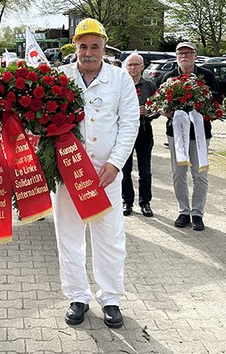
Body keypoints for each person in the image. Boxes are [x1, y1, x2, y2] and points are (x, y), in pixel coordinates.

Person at [54, 18, 139, 329]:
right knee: (69, 236)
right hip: (67, 174)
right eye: (82, 46)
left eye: (94, 47)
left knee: (110, 236)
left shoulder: (120, 79)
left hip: (106, 175)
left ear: (104, 49)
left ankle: (111, 298)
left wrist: (115, 163)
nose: (88, 53)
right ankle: (77, 295)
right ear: (74, 47)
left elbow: (130, 124)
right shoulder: (60, 78)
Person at [165, 41, 222, 231]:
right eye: (181, 53)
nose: (184, 56)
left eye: (188, 53)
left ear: (195, 55)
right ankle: (183, 211)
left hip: (200, 133)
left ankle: (197, 213)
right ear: (176, 56)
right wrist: (169, 112)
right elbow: (160, 103)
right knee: (178, 173)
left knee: (200, 174)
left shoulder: (206, 76)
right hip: (176, 134)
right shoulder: (170, 77)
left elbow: (216, 102)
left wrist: (203, 110)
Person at [121, 52, 158, 217]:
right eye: (130, 64)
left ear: (142, 66)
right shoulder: (120, 84)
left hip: (144, 130)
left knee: (145, 169)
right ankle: (126, 201)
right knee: (124, 169)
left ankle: (145, 202)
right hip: (124, 131)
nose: (133, 68)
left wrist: (148, 112)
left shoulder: (149, 85)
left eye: (136, 64)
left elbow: (159, 107)